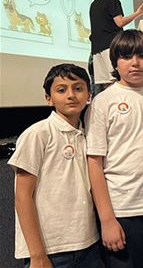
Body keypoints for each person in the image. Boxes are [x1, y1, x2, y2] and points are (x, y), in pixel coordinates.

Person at [85, 29, 143, 268]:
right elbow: (94, 163)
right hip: (124, 210)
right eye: (126, 57)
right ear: (115, 62)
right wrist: (107, 219)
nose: (135, 63)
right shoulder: (103, 101)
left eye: (142, 56)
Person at [8, 64, 101, 268]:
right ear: (48, 98)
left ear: (89, 95)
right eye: (61, 90)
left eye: (78, 88)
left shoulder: (91, 133)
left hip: (89, 245)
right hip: (51, 250)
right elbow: (22, 196)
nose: (71, 95)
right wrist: (37, 255)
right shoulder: (38, 134)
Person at [89, 0, 143, 94]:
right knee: (117, 79)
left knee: (105, 83)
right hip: (110, 45)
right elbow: (120, 22)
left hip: (96, 48)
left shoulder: (94, 4)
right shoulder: (112, 0)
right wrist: (138, 13)